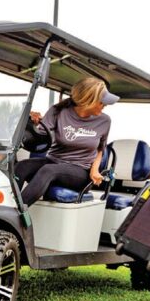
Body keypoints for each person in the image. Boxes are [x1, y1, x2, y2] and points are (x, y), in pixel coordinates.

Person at [14, 77, 118, 206]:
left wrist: (94, 170)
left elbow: (101, 149)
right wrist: (32, 122)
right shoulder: (58, 111)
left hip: (80, 172)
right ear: (88, 101)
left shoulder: (104, 121)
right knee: (22, 166)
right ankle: (5, 206)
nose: (105, 105)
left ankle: (17, 213)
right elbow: (39, 136)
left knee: (49, 170)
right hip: (53, 161)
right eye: (102, 102)